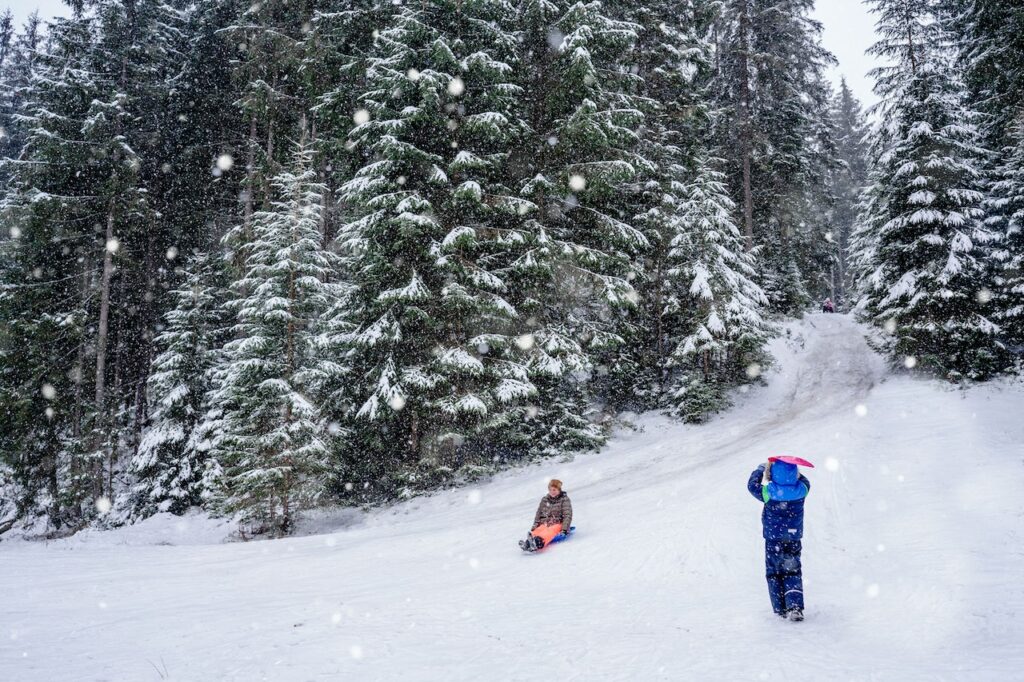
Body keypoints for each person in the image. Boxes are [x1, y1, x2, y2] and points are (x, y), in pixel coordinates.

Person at [747, 457, 812, 621]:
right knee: (792, 570)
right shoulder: (802, 489)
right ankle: (795, 606)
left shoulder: (768, 492)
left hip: (773, 539)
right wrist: (794, 472)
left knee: (774, 572)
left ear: (773, 474)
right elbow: (804, 480)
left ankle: (780, 607)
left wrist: (760, 469)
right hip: (793, 537)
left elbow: (751, 486)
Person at [519, 479, 572, 552]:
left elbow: (567, 515)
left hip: (558, 523)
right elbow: (539, 513)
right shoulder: (545, 500)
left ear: (559, 490)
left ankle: (538, 543)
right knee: (539, 529)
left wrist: (564, 529)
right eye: (550, 490)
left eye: (554, 490)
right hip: (546, 523)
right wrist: (535, 525)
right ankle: (528, 543)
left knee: (549, 531)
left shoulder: (564, 499)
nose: (552, 492)